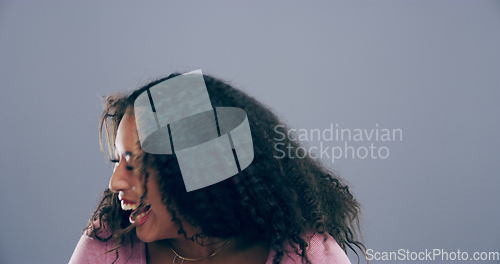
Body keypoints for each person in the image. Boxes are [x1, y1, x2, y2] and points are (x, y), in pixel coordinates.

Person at [69, 72, 365, 264]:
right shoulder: (108, 246)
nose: (115, 182)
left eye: (136, 166)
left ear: (200, 168)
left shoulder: (307, 255)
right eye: (118, 161)